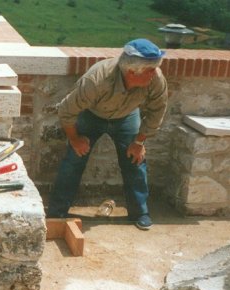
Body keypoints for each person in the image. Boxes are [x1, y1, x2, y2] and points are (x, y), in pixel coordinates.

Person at [47, 38, 168, 230]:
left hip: (127, 116)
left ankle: (140, 212)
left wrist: (139, 142)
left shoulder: (156, 79)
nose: (154, 74)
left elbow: (157, 112)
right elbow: (66, 111)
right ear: (131, 72)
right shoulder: (97, 79)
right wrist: (75, 139)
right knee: (74, 159)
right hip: (92, 115)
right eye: (149, 70)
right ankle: (57, 211)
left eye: (155, 68)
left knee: (135, 160)